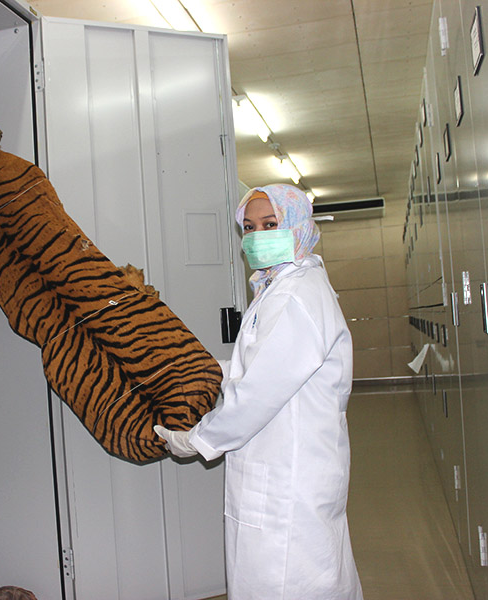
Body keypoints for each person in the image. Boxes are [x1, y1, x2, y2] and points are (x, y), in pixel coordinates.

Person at [155, 184, 363, 599]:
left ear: (299, 226)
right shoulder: (278, 287)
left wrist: (194, 440)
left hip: (290, 480)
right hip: (281, 471)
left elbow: (256, 396)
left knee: (291, 582)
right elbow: (263, 367)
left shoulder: (297, 296)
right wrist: (209, 369)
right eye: (249, 227)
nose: (256, 236)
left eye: (270, 224)